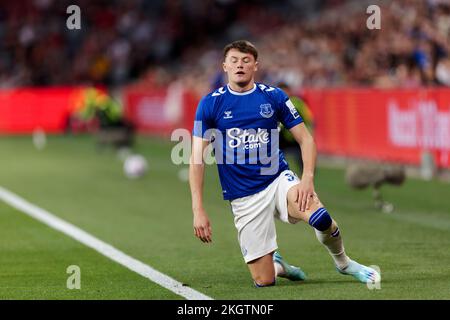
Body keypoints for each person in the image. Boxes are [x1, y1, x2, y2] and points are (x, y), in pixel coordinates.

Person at [189, 40, 380, 287]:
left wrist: (307, 179)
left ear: (255, 65)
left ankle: (343, 263)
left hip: (277, 178)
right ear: (224, 66)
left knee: (320, 217)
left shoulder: (274, 96)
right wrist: (198, 210)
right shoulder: (210, 104)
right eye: (234, 60)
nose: (240, 65)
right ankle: (279, 266)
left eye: (246, 60)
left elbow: (306, 139)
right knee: (264, 280)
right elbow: (196, 159)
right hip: (243, 195)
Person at [277, 82, 314, 175]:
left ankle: (305, 179)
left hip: (295, 138)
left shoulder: (297, 103)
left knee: (305, 159)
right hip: (281, 138)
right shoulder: (274, 103)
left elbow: (309, 118)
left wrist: (308, 133)